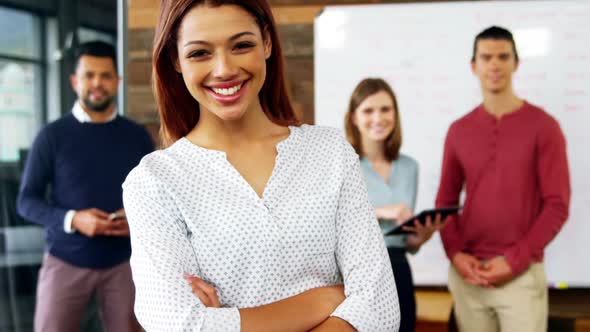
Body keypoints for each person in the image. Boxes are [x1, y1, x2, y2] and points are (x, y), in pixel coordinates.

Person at [121, 1, 400, 331]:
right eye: (200, 53)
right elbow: (178, 325)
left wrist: (225, 321)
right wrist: (324, 300)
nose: (224, 68)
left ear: (267, 43)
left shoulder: (329, 153)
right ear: (175, 60)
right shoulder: (154, 182)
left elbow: (380, 307)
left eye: (241, 45)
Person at [436, 26, 570, 332]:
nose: (494, 65)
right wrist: (456, 255)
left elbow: (557, 206)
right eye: (486, 57)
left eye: (502, 57)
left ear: (515, 63)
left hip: (520, 278)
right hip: (469, 277)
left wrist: (514, 261)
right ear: (474, 66)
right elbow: (445, 204)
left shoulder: (545, 127)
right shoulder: (459, 130)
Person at [17, 41, 154, 332]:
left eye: (105, 76)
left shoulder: (138, 136)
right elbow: (26, 201)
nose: (97, 84)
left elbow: (155, 199)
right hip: (65, 260)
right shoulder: (51, 136)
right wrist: (73, 219)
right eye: (89, 75)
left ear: (117, 82)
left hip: (125, 264)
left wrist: (138, 222)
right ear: (75, 81)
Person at [344, 78, 443, 332]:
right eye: (368, 110)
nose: (378, 118)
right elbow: (330, 222)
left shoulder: (410, 167)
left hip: (398, 268)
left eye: (386, 109)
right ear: (354, 118)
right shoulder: (342, 163)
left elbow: (405, 243)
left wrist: (421, 237)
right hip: (357, 274)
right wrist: (381, 211)